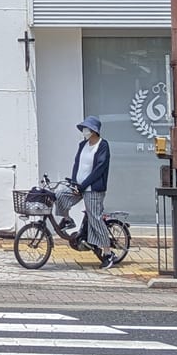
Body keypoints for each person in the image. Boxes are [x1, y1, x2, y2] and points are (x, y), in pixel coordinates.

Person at [54, 115, 114, 268]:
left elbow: (99, 170)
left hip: (93, 189)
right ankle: (67, 219)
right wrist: (75, 183)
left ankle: (107, 253)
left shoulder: (102, 146)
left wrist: (83, 186)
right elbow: (77, 164)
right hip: (79, 186)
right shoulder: (82, 145)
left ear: (94, 130)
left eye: (87, 128)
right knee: (60, 194)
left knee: (95, 218)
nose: (84, 131)